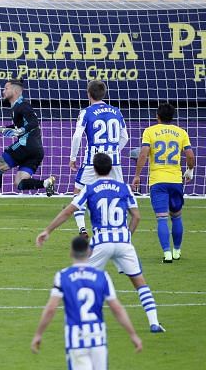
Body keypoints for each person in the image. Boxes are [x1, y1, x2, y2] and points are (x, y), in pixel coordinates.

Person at [37, 153, 166, 333]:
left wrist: (48, 230)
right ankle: (154, 322)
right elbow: (137, 216)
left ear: (94, 169)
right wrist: (127, 236)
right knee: (140, 283)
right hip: (123, 242)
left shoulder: (89, 189)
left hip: (101, 242)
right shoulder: (124, 188)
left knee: (83, 279)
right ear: (111, 168)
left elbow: (68, 211)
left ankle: (81, 320)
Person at [31, 236, 142, 370]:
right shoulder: (102, 276)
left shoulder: (63, 276)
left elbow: (51, 309)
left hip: (76, 338)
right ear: (89, 252)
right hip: (98, 337)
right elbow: (117, 308)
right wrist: (133, 334)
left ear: (71, 252)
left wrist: (38, 334)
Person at [131, 103, 196, 263]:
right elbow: (190, 155)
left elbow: (144, 154)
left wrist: (137, 175)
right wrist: (190, 170)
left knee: (161, 218)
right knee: (176, 217)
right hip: (175, 181)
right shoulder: (181, 132)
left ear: (157, 116)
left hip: (158, 181)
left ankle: (167, 254)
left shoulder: (149, 131)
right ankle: (177, 251)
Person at [0, 79, 56, 214]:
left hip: (26, 145)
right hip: (37, 150)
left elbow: (33, 122)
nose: (3, 91)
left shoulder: (22, 105)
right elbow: (16, 127)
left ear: (14, 90)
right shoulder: (17, 106)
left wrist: (20, 131)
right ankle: (46, 183)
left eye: (6, 88)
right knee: (20, 183)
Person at [69, 80, 129, 238]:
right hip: (114, 161)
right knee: (118, 193)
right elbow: (125, 137)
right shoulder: (116, 111)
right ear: (104, 93)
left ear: (89, 94)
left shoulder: (86, 112)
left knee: (78, 192)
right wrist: (114, 151)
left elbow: (77, 137)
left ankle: (82, 228)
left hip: (92, 159)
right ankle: (120, 228)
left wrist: (73, 157)